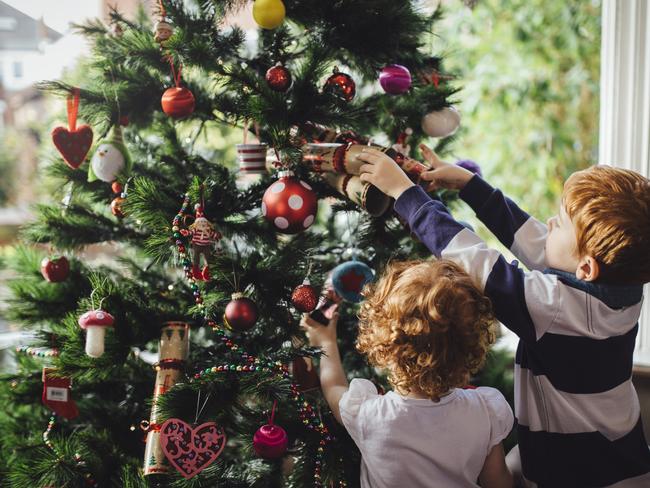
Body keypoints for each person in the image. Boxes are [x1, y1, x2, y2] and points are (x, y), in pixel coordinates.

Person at [356, 145, 650, 487]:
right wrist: (469, 185)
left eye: (560, 223)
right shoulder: (620, 287)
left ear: (586, 268)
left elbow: (478, 262)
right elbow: (538, 242)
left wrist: (405, 194)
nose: (549, 223)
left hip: (581, 470)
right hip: (620, 451)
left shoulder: (555, 308)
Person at [301, 259, 514, 488]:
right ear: (470, 348)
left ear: (385, 346)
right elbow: (498, 483)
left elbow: (334, 388)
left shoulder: (370, 415)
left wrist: (325, 341)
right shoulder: (485, 411)